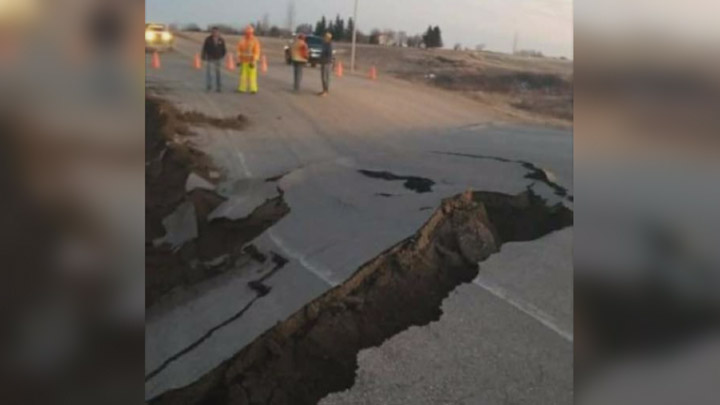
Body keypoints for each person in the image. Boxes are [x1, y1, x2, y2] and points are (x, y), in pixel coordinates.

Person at [236, 25, 261, 94]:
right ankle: (242, 88)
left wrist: (254, 60)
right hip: (243, 61)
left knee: (252, 76)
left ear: (252, 32)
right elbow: (238, 50)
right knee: (243, 76)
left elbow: (257, 51)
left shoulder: (255, 41)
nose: (248, 34)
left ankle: (253, 89)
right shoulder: (242, 40)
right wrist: (238, 59)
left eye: (249, 33)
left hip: (251, 61)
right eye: (247, 32)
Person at [201, 27, 226, 92]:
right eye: (213, 32)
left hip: (218, 58)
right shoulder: (208, 39)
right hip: (210, 58)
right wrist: (203, 56)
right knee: (209, 73)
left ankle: (218, 87)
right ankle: (209, 86)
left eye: (216, 32)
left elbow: (224, 49)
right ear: (211, 32)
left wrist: (222, 55)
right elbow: (204, 48)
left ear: (218, 32)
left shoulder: (221, 40)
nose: (215, 33)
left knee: (218, 73)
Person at [318, 32, 333, 96]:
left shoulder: (329, 45)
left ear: (328, 38)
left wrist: (323, 57)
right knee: (323, 77)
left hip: (327, 62)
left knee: (325, 77)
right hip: (323, 62)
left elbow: (329, 54)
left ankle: (326, 91)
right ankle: (324, 90)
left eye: (326, 37)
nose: (324, 38)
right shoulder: (324, 44)